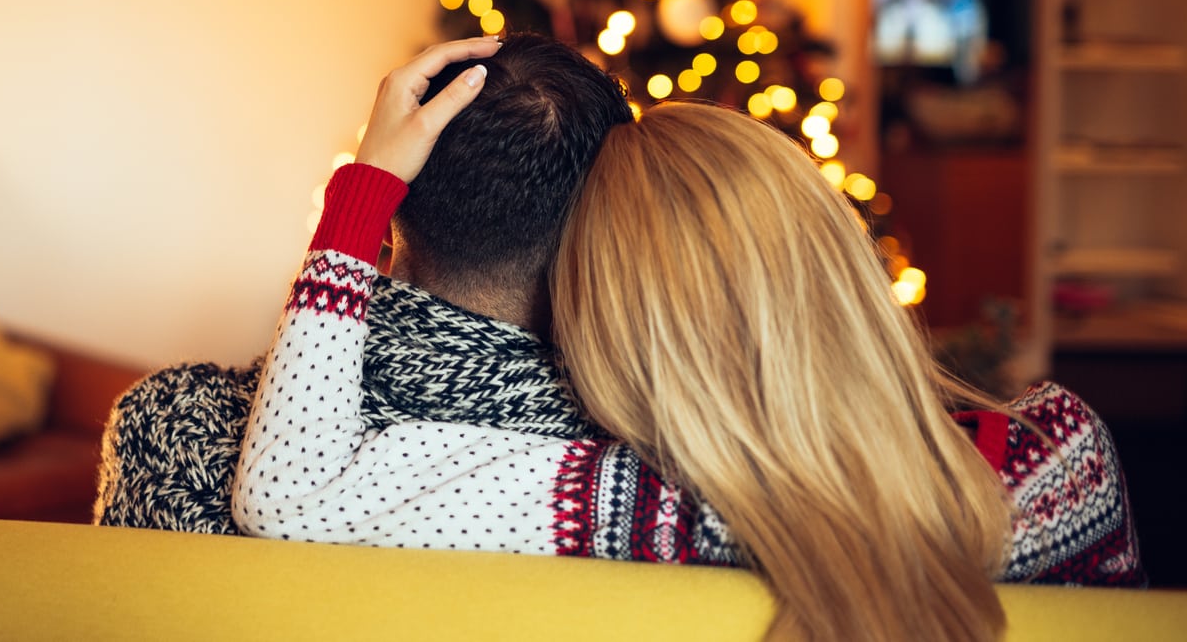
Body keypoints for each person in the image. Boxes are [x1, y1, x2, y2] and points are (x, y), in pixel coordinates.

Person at [232, 39, 1144, 642]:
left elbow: (282, 496)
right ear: (835, 257)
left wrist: (364, 196)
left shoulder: (620, 504)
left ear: (615, 325)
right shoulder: (1060, 458)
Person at [93, 33, 633, 531]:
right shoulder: (634, 476)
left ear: (393, 214)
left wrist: (364, 188)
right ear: (599, 234)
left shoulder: (168, 425)